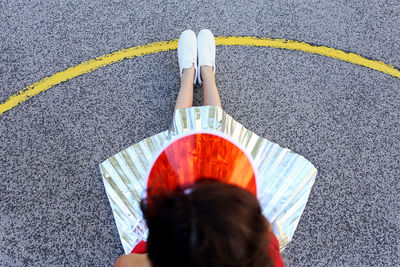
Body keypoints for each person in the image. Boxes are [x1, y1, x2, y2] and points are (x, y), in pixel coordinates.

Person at [113, 29, 285, 267]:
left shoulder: (259, 247)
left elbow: (127, 261)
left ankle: (189, 75)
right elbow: (266, 232)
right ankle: (207, 75)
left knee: (183, 143)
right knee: (215, 142)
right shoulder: (263, 253)